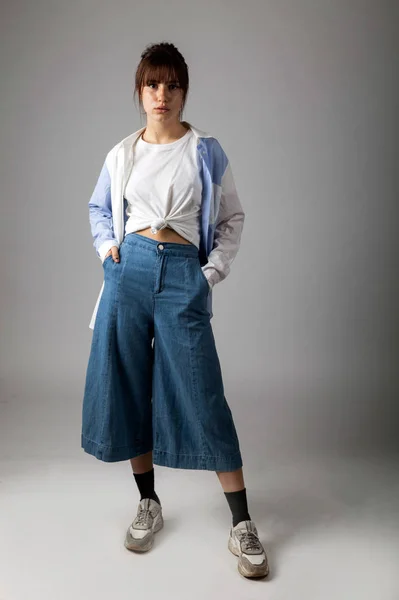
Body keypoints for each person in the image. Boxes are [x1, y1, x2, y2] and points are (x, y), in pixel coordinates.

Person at [81, 41, 269, 579]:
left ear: (184, 91)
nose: (161, 95)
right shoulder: (121, 154)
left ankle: (242, 525)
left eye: (172, 84)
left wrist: (210, 274)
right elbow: (98, 209)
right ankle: (149, 503)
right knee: (130, 386)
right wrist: (106, 250)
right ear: (139, 92)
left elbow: (232, 218)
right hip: (128, 272)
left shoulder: (205, 150)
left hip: (184, 272)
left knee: (203, 393)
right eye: (152, 84)